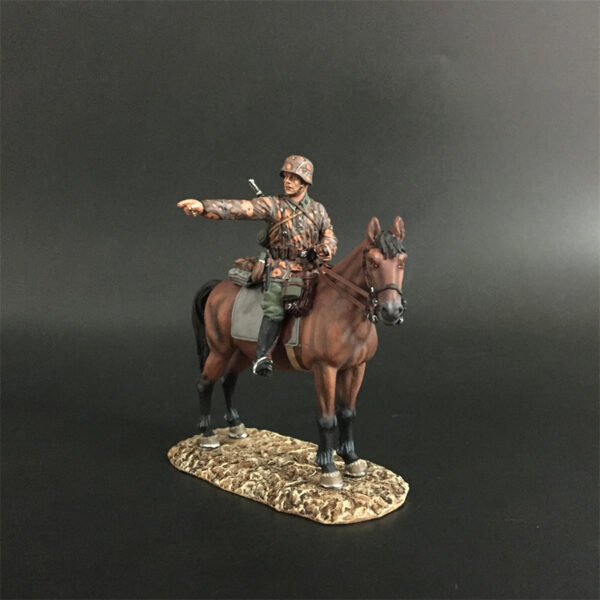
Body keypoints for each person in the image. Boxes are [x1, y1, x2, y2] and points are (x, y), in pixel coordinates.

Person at [177, 155, 337, 376]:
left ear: (305, 182)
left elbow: (329, 235)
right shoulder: (273, 205)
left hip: (311, 268)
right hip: (282, 268)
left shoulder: (318, 210)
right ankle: (263, 356)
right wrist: (203, 207)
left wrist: (326, 248)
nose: (287, 181)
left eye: (293, 178)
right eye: (286, 177)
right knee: (274, 306)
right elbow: (240, 208)